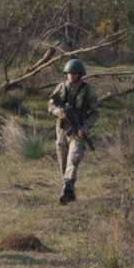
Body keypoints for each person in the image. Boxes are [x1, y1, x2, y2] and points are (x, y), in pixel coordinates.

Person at [47, 59, 99, 204]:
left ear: (80, 74)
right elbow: (50, 105)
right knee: (63, 160)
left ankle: (67, 187)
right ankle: (70, 190)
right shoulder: (61, 87)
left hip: (78, 129)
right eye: (69, 73)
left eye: (74, 73)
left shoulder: (88, 90)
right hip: (62, 128)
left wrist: (85, 127)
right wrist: (58, 111)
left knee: (73, 159)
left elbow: (95, 113)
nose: (71, 76)